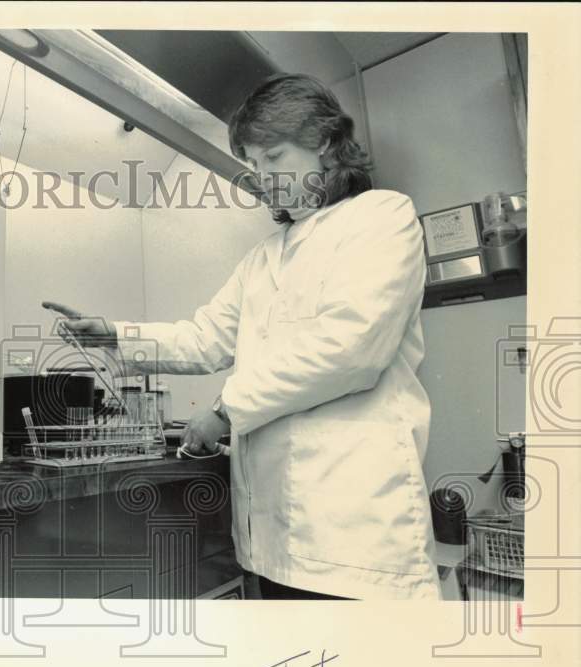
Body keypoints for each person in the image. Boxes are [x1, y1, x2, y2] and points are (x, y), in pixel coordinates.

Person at [44, 73, 442, 600]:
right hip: (274, 536)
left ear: (324, 143)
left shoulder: (381, 218)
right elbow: (205, 337)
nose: (263, 178)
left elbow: (351, 347)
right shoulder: (262, 259)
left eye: (274, 157)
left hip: (357, 538)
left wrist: (227, 411)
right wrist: (114, 334)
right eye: (254, 165)